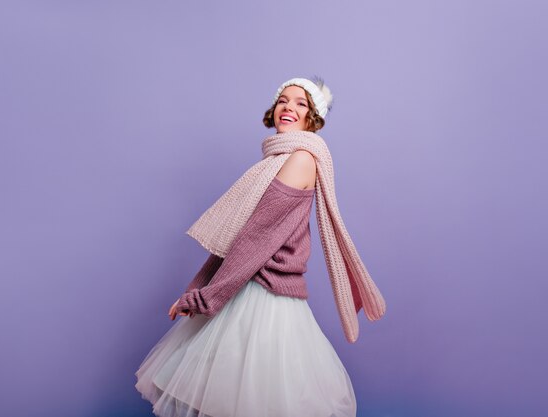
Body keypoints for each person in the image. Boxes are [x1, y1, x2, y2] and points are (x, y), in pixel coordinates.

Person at [134, 77, 386, 417]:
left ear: (313, 118)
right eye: (284, 100)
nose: (289, 107)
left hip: (264, 303)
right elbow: (236, 238)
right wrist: (196, 289)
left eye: (301, 103)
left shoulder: (301, 159)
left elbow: (255, 241)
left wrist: (204, 297)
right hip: (243, 290)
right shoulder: (273, 162)